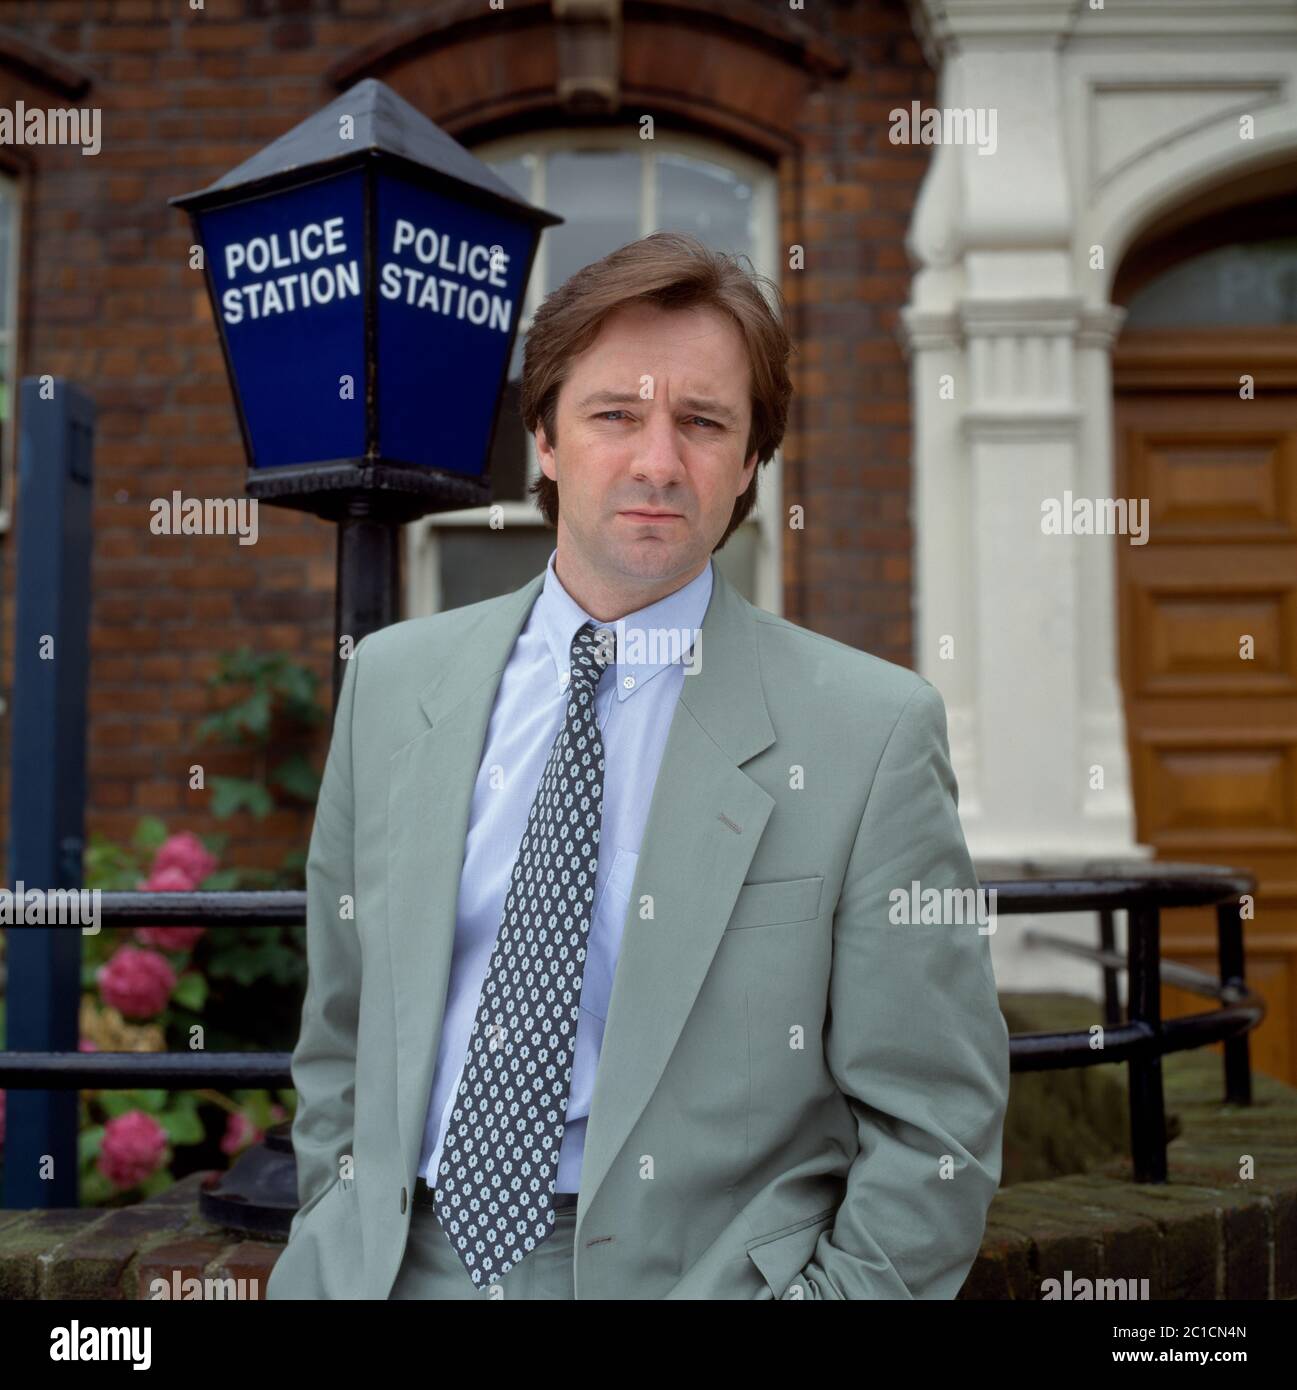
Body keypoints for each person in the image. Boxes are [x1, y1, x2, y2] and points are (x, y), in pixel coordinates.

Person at [265, 230, 1009, 1301]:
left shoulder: (870, 731)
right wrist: (331, 1228)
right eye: (615, 413)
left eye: (703, 422)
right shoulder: (392, 683)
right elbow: (338, 1025)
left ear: (749, 461)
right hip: (390, 1267)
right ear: (547, 437)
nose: (658, 460)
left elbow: (938, 1114)